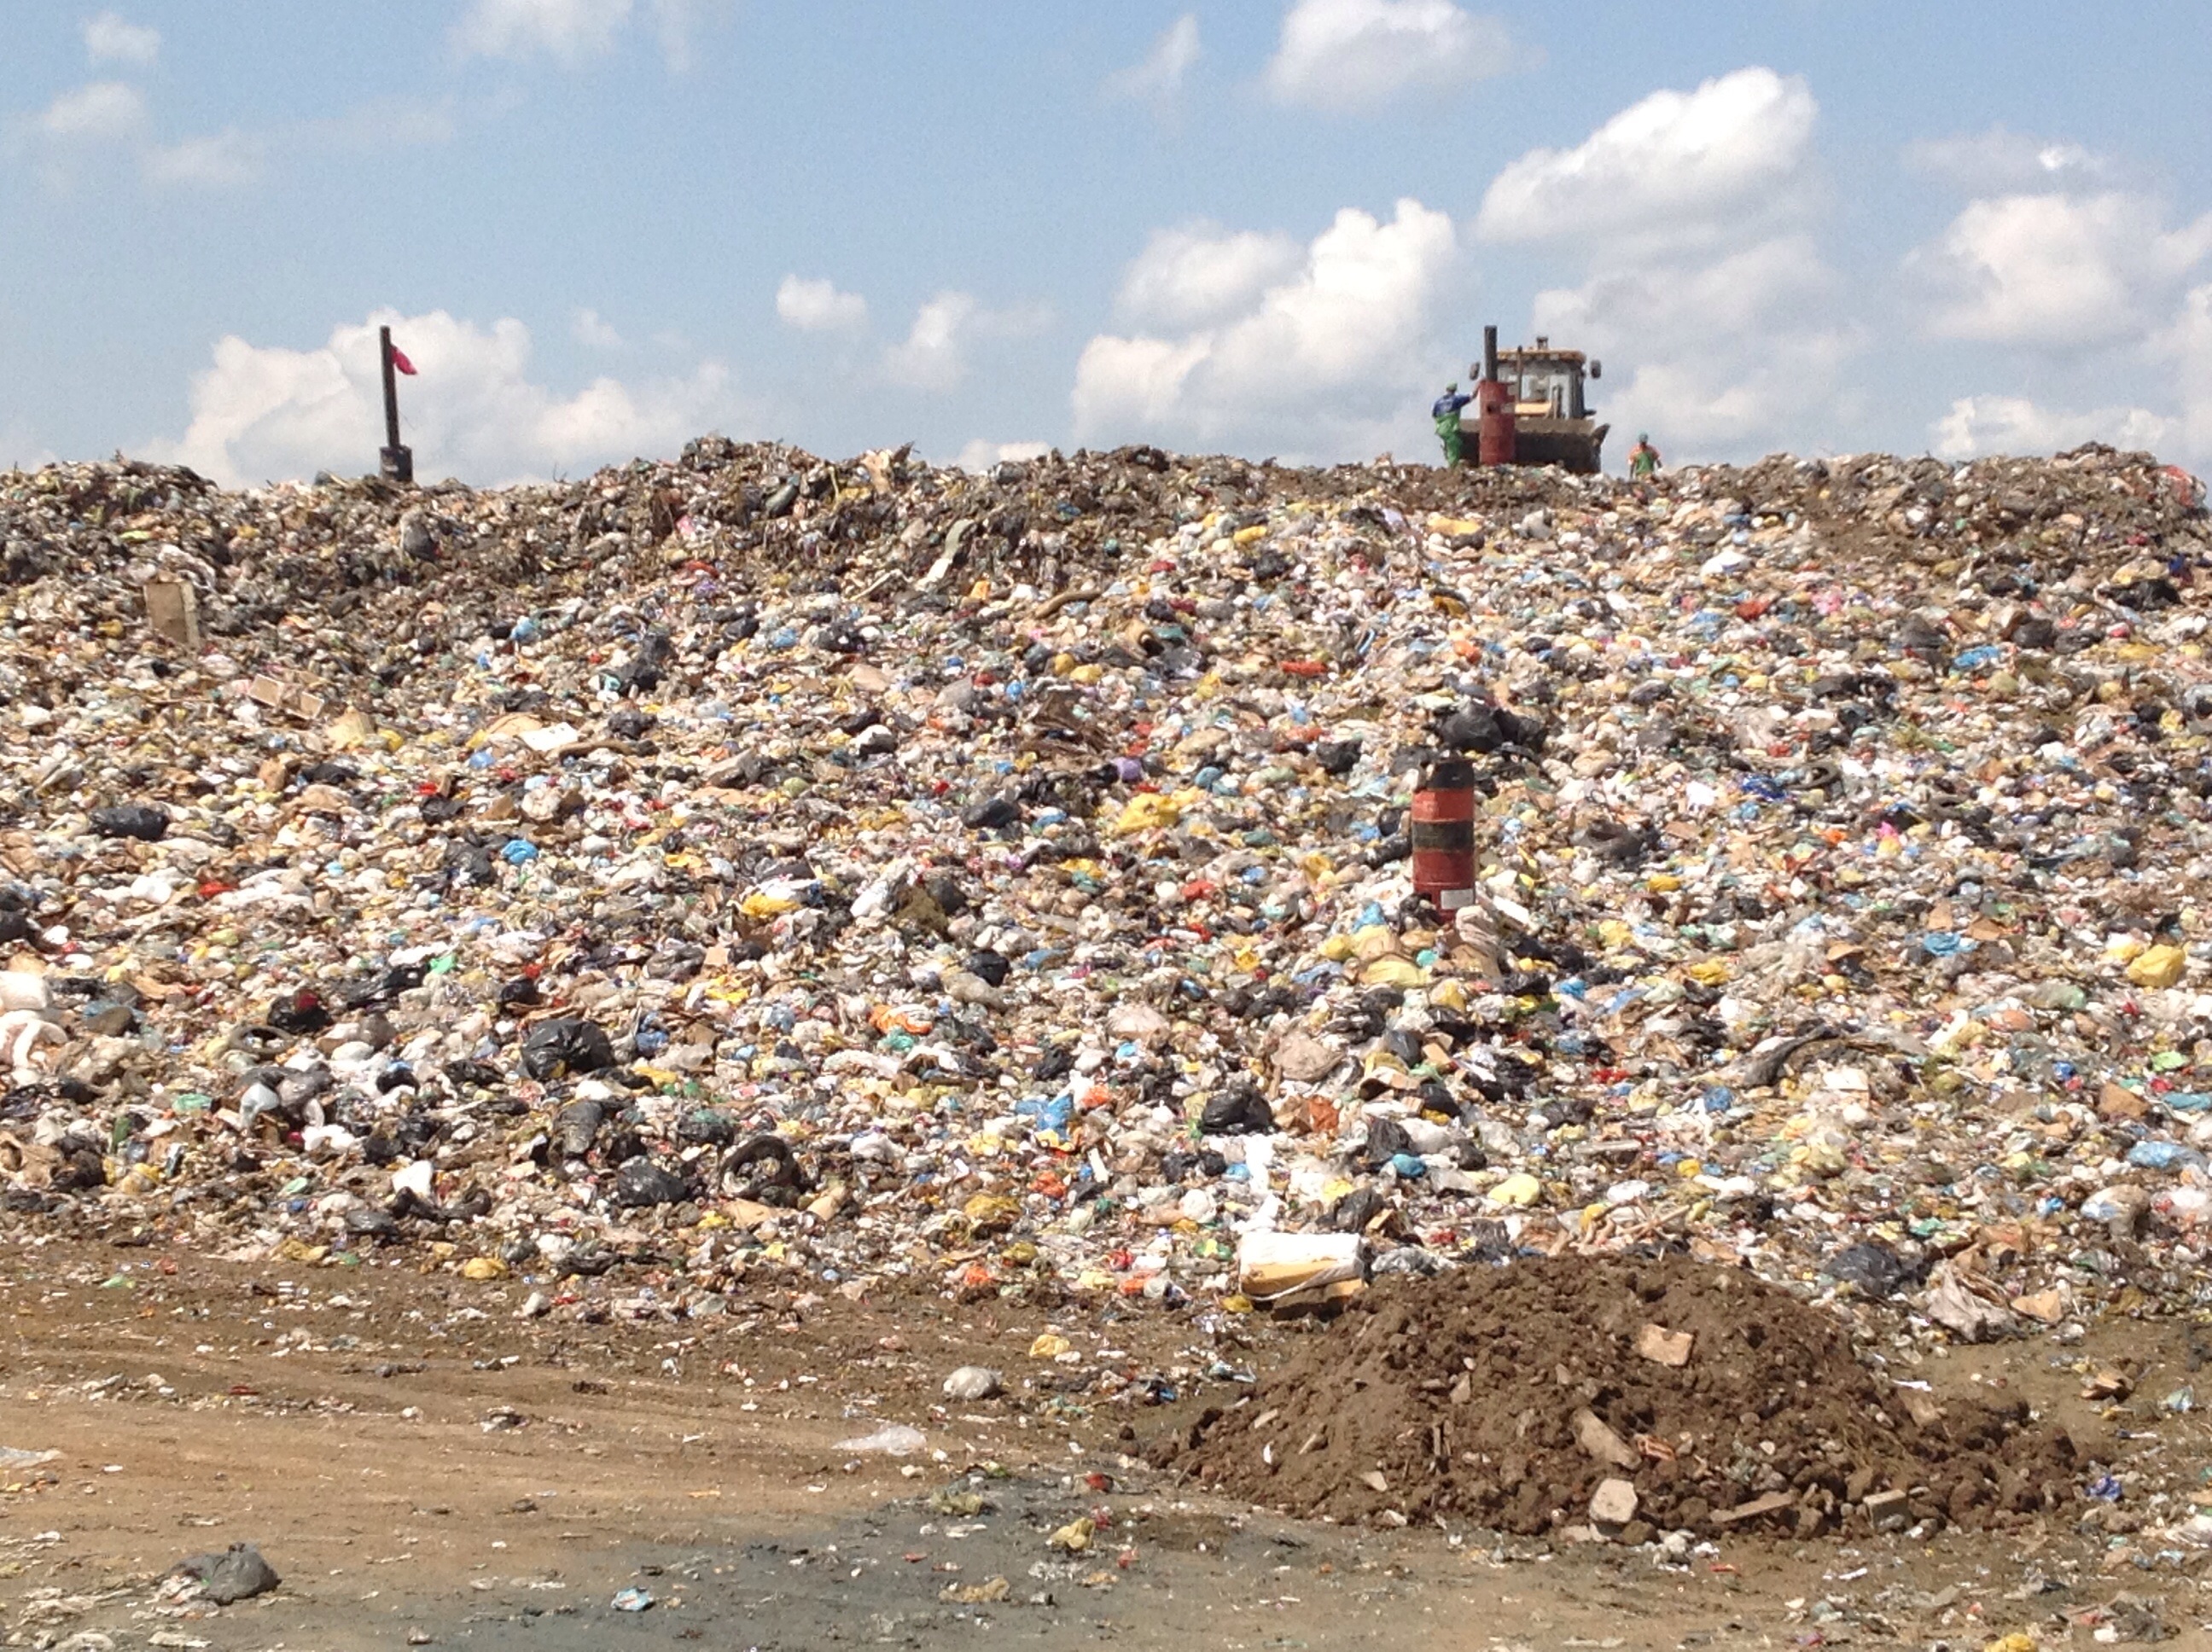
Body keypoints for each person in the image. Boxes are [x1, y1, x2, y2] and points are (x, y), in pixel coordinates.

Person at [1432, 381, 1473, 468]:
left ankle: (1451, 463)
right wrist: (1480, 385)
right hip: (1450, 428)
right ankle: (1452, 467)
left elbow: (1434, 415)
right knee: (1455, 445)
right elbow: (1471, 396)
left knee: (1449, 445)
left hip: (1441, 430)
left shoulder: (1438, 402)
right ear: (1455, 390)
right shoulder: (1456, 400)